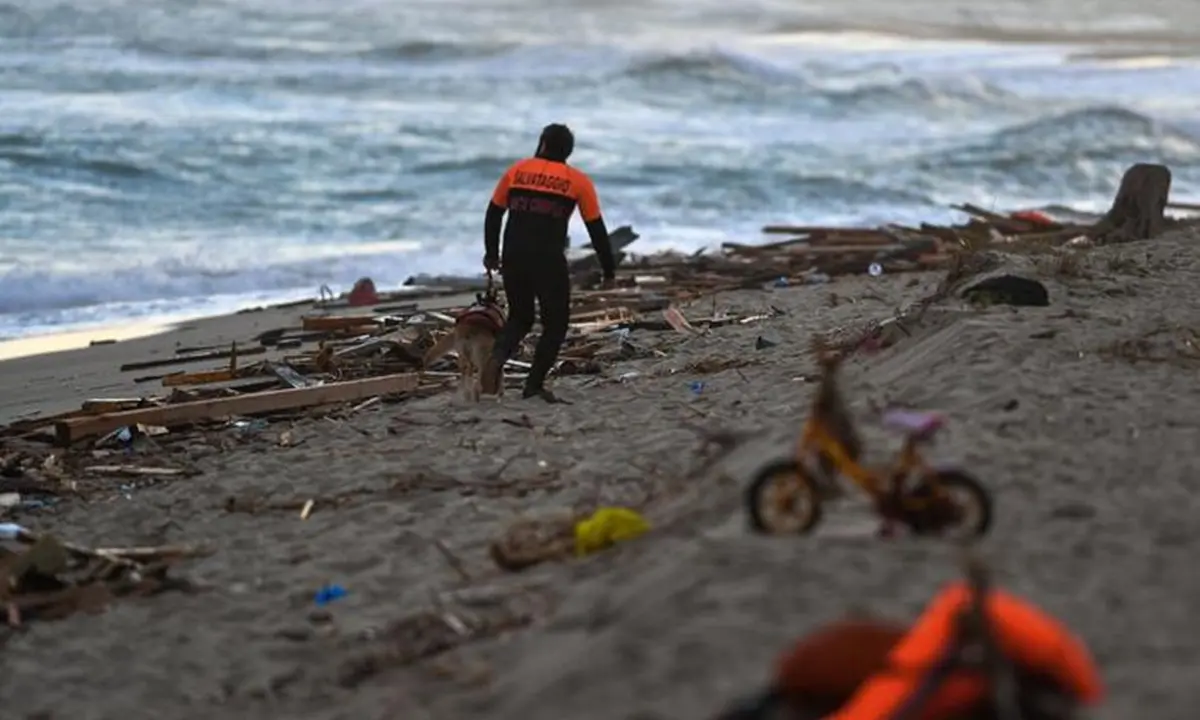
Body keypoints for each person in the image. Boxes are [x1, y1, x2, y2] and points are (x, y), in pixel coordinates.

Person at [480, 123, 616, 402]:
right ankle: (533, 386)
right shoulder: (578, 181)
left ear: (542, 144)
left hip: (513, 254)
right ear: (568, 151)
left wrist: (491, 253)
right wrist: (608, 269)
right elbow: (596, 228)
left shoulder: (516, 171)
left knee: (520, 317)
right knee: (555, 325)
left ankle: (496, 358)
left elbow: (494, 214)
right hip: (547, 259)